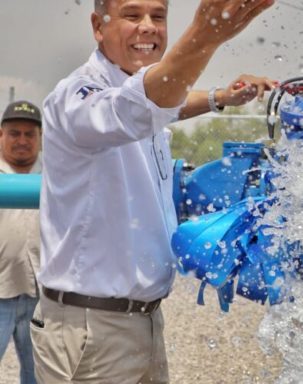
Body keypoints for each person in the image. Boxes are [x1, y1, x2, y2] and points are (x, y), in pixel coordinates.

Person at [33, 0, 277, 382]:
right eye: (132, 15)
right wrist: (204, 36)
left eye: (158, 17)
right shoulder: (76, 96)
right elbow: (139, 106)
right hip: (92, 330)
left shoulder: (137, 92)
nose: (148, 26)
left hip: (142, 319)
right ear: (99, 26)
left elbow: (165, 104)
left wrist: (220, 98)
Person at [0, 100, 43, 384]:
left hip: (43, 297)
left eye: (30, 134)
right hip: (0, 293)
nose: (22, 140)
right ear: (0, 135)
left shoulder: (57, 177)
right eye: (14, 133)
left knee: (40, 376)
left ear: (40, 138)